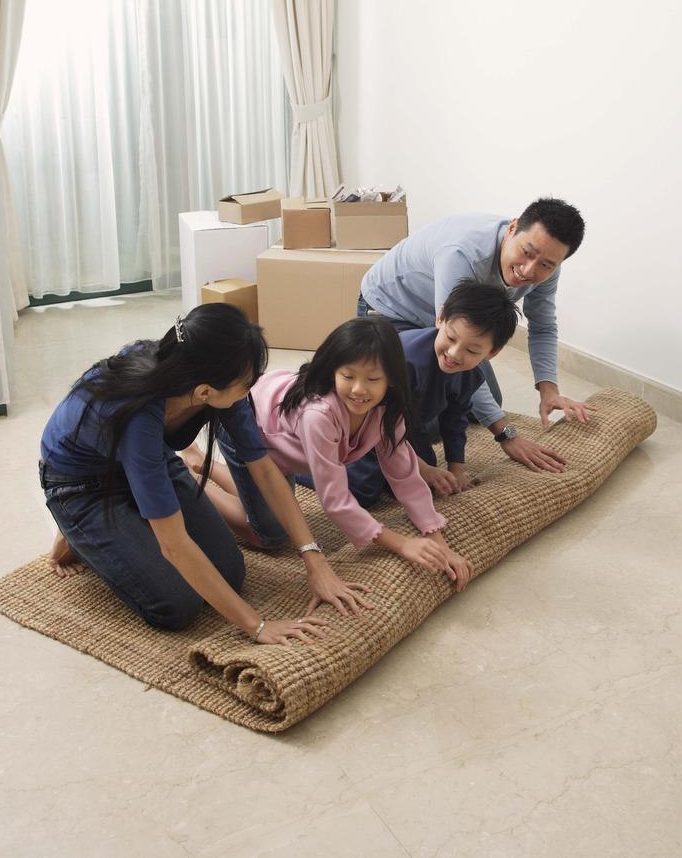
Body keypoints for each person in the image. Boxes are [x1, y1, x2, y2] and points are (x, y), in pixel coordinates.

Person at [39, 304, 363, 645]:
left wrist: (315, 559)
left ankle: (131, 521)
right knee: (177, 604)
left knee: (230, 572)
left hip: (150, 462)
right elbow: (175, 546)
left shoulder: (205, 377)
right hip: (82, 486)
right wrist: (258, 626)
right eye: (245, 384)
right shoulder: (139, 418)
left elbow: (265, 472)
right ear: (205, 392)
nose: (250, 390)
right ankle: (77, 530)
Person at [211, 316, 474, 592]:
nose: (359, 390)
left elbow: (405, 476)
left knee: (267, 507)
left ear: (391, 381)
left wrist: (437, 541)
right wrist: (403, 543)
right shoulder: (318, 415)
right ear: (332, 372)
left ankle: (217, 473)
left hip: (286, 445)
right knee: (270, 534)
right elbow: (335, 500)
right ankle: (198, 479)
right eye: (348, 377)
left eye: (373, 379)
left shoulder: (388, 410)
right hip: (247, 430)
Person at [358, 198, 592, 474]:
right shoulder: (462, 254)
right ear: (512, 228)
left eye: (546, 264)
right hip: (390, 312)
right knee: (425, 399)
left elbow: (542, 326)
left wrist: (549, 390)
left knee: (482, 398)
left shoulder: (546, 265)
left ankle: (411, 414)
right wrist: (507, 435)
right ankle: (371, 425)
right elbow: (451, 335)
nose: (529, 270)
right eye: (527, 252)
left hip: (449, 330)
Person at [307, 280, 520, 508]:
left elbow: (455, 419)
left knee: (424, 476)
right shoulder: (406, 361)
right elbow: (377, 424)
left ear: (492, 353)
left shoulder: (471, 375)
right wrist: (421, 468)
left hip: (404, 424)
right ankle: (306, 466)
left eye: (472, 350)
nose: (454, 354)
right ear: (440, 318)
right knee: (364, 489)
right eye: (450, 337)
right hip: (358, 420)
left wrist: (456, 468)